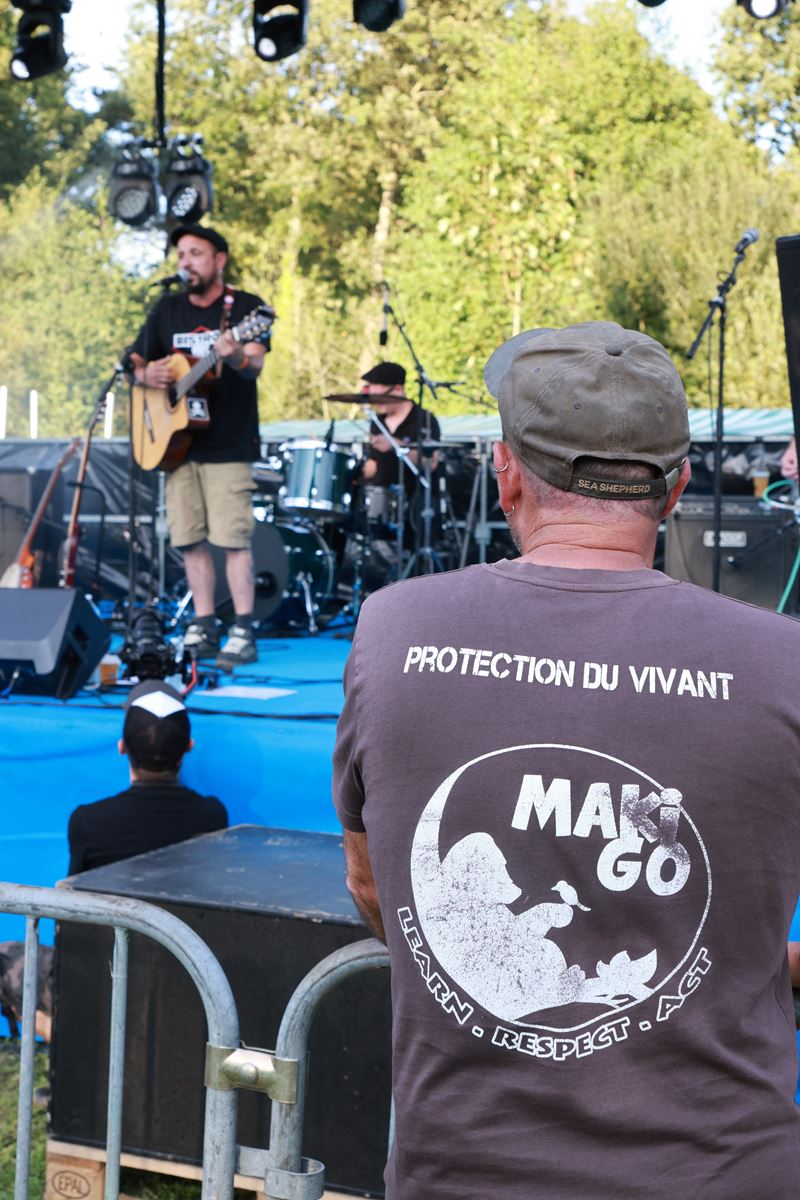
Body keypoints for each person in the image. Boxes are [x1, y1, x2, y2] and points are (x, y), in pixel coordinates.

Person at [333, 321, 800, 1200]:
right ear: (677, 487)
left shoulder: (395, 628)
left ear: (506, 473)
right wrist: (748, 959)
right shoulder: (784, 662)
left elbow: (375, 889)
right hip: (725, 1174)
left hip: (463, 1174)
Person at [129, 223, 270, 669]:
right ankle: (204, 625)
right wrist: (145, 375)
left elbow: (254, 364)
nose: (185, 262)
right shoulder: (166, 309)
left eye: (195, 253)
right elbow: (133, 358)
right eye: (181, 255)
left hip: (229, 444)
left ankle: (243, 630)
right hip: (177, 446)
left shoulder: (246, 309)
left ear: (219, 259)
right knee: (189, 540)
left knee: (232, 540)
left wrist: (234, 354)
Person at [68, 680, 227, 875]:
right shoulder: (213, 816)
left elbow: (72, 890)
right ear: (189, 746)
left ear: (122, 747)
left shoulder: (88, 822)